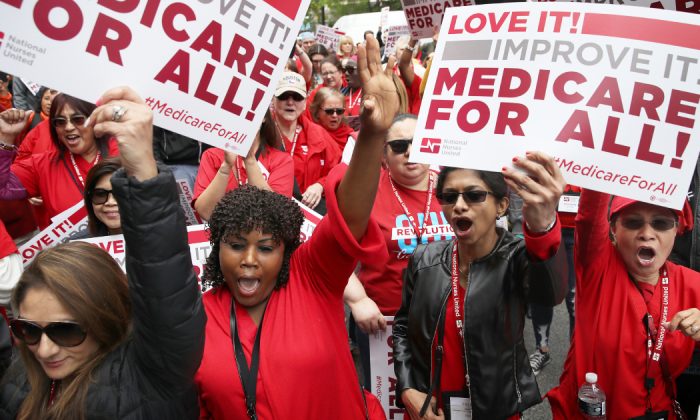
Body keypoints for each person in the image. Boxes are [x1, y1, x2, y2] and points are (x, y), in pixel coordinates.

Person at [194, 34, 397, 420]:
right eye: (236, 245)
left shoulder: (312, 280)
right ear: (216, 248)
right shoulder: (198, 316)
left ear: (287, 250)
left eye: (266, 247)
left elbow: (347, 221)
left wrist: (373, 135)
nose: (249, 261)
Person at [0, 86, 206, 419]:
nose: (46, 349)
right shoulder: (16, 384)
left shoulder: (147, 375)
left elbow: (163, 286)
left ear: (104, 317)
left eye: (66, 330)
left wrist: (142, 171)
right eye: (29, 330)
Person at [393, 152, 569, 419]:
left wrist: (543, 227)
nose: (459, 206)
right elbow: (403, 326)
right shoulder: (425, 258)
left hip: (495, 412)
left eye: (474, 195)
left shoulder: (518, 256)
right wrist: (407, 389)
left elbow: (550, 294)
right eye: (449, 197)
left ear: (501, 206)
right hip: (430, 411)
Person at [548, 188, 700, 419]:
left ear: (677, 230)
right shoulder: (598, 268)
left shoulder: (692, 284)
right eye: (633, 222)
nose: (647, 233)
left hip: (660, 410)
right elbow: (590, 216)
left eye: (660, 223)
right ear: (613, 230)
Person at [344, 114, 454, 389]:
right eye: (399, 145)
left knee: (444, 398)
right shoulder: (366, 191)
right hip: (385, 323)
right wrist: (358, 301)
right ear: (384, 153)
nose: (410, 152)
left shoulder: (454, 188)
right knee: (391, 404)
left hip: (450, 320)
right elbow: (332, 254)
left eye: (419, 143)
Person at [0, 94, 119, 221]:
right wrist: (6, 138)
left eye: (78, 119)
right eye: (60, 122)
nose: (68, 127)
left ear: (95, 120)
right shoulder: (42, 165)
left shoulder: (124, 154)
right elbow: (4, 188)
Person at [193, 109, 294, 221]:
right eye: (238, 113)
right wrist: (225, 167)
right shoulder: (212, 156)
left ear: (264, 117)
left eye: (250, 113)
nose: (244, 119)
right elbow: (205, 213)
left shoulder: (282, 160)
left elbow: (276, 214)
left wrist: (250, 159)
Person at [272, 71, 341, 213]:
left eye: (297, 97)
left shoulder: (318, 134)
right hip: (270, 214)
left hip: (307, 217)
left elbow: (339, 169)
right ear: (273, 100)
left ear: (304, 103)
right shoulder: (260, 134)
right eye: (284, 96)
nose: (290, 102)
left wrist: (320, 185)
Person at [83, 157, 122, 237]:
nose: (110, 202)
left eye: (121, 194)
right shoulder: (77, 245)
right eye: (100, 194)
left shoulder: (154, 241)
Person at [310, 87, 356, 152]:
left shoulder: (351, 137)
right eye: (329, 111)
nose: (335, 115)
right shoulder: (310, 135)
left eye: (339, 111)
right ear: (317, 112)